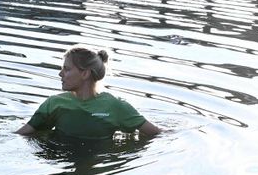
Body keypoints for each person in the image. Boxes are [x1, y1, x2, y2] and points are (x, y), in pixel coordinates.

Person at [17, 45, 161, 141]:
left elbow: (156, 133)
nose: (60, 73)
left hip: (98, 161)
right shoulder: (54, 104)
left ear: (85, 74)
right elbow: (24, 133)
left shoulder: (115, 106)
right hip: (61, 161)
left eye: (66, 69)